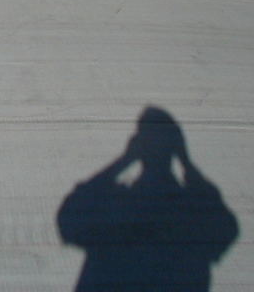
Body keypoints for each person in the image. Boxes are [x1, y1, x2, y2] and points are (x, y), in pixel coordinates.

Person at [57, 107, 238, 291]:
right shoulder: (191, 213)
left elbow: (69, 215)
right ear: (176, 147)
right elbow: (224, 228)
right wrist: (187, 163)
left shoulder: (115, 206)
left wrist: (124, 160)